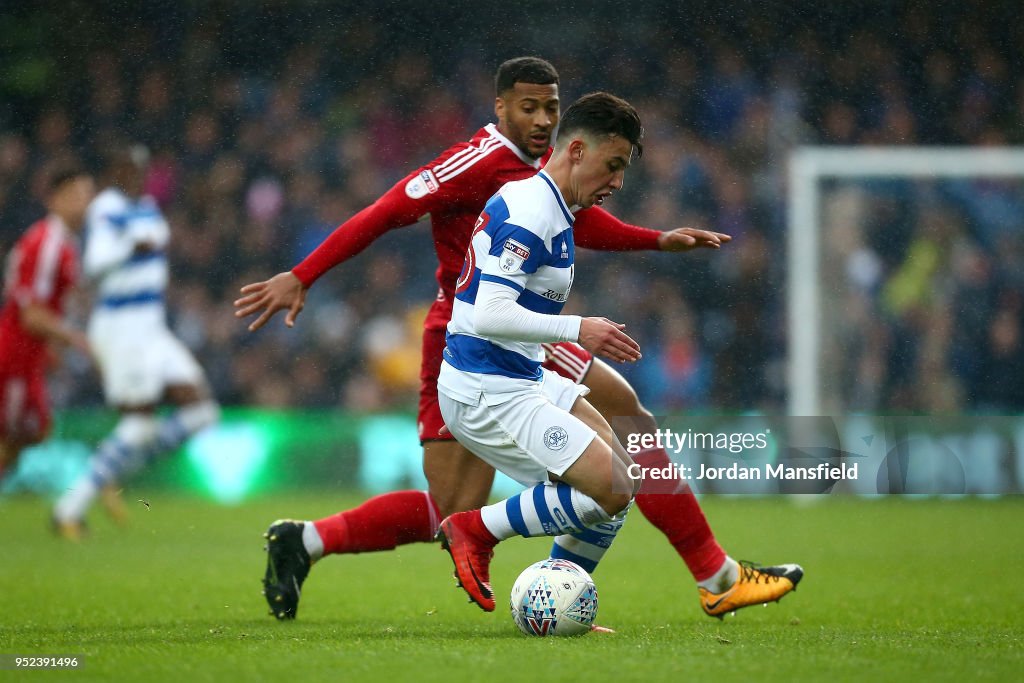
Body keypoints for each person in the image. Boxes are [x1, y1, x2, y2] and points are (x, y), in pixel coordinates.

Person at [236, 57, 801, 620]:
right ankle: (313, 540)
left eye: (551, 107)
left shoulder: (544, 173)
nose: (540, 119)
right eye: (527, 107)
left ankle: (708, 574)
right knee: (457, 506)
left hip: (517, 333)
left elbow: (579, 221)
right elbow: (386, 212)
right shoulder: (477, 164)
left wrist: (655, 241)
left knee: (624, 429)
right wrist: (302, 274)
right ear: (499, 106)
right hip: (474, 332)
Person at [52, 144, 219, 540]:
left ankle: (115, 472)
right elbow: (92, 265)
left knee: (203, 412)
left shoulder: (146, 204)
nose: (137, 175)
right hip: (121, 325)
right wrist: (130, 247)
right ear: (115, 170)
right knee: (139, 422)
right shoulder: (106, 207)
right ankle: (67, 511)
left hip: (152, 326)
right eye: (129, 167)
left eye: (143, 168)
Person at [0, 166, 94, 481]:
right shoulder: (48, 243)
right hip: (14, 356)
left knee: (36, 430)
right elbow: (32, 315)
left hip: (28, 356)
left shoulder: (65, 243)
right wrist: (71, 337)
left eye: (88, 195)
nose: (86, 203)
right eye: (79, 195)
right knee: (20, 433)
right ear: (56, 199)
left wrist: (52, 345)